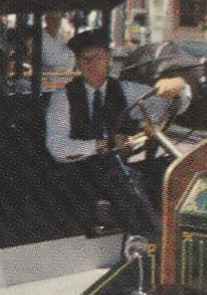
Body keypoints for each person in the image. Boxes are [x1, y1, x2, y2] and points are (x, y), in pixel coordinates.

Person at [44, 29, 190, 235]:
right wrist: (103, 144)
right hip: (80, 171)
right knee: (126, 181)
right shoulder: (63, 98)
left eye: (97, 58)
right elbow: (57, 146)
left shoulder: (126, 90)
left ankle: (179, 233)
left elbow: (172, 106)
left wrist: (180, 88)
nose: (90, 64)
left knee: (167, 170)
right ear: (77, 63)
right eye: (84, 59)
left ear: (108, 59)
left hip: (119, 165)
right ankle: (148, 240)